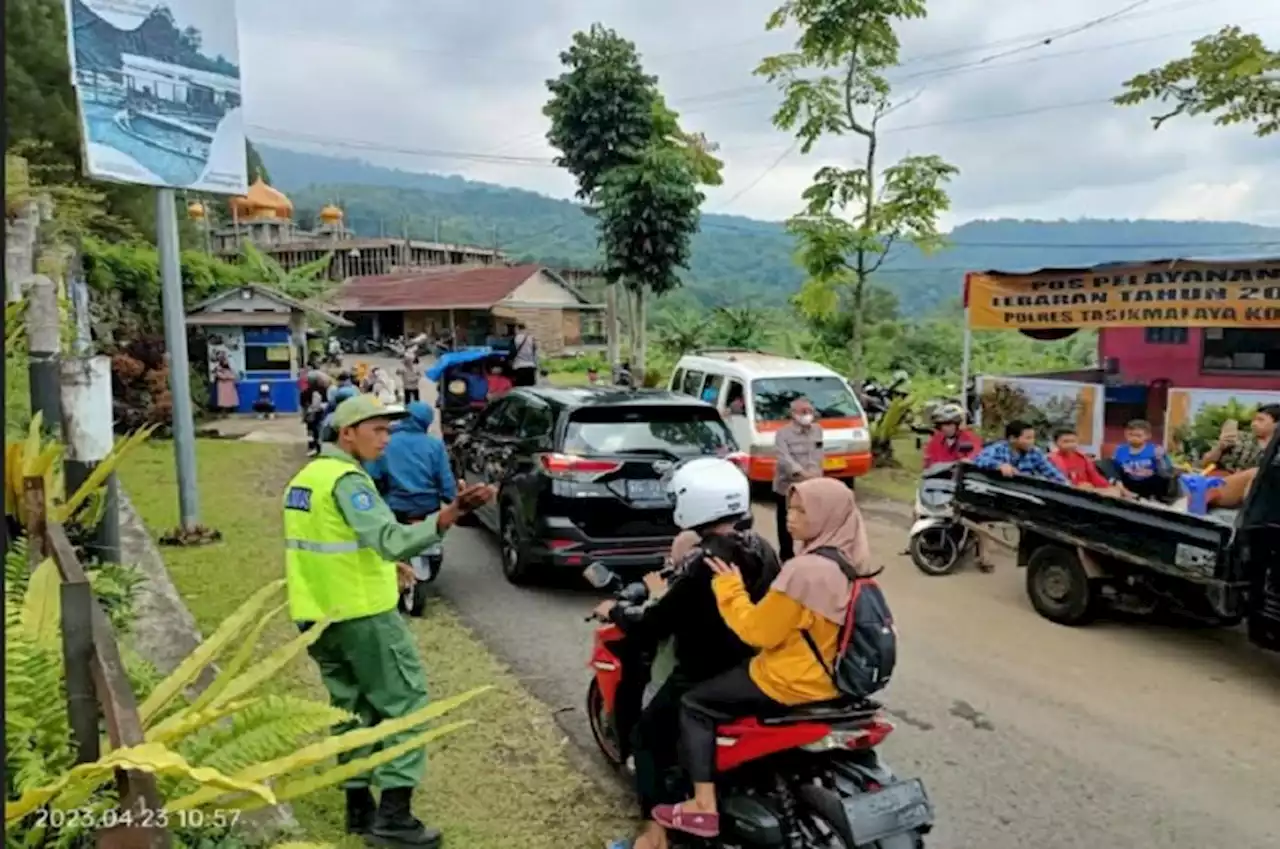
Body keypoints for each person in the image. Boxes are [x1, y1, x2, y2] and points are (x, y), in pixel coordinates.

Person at [283, 395, 496, 847]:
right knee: (406, 704)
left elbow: (335, 543)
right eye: (377, 430)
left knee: (349, 709)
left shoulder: (307, 479)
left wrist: (388, 567)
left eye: (387, 429)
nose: (386, 438)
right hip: (363, 617)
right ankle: (394, 819)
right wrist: (450, 513)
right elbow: (391, 538)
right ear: (347, 434)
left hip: (318, 616)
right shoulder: (348, 481)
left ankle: (358, 806)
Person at [653, 477, 869, 839]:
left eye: (803, 510)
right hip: (836, 676)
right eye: (791, 507)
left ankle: (702, 806)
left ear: (827, 516)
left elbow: (757, 632)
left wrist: (729, 589)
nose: (790, 517)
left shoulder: (805, 571)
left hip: (793, 681)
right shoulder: (849, 558)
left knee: (695, 704)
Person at [594, 458, 781, 849]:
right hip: (754, 664)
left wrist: (617, 611)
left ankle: (656, 837)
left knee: (646, 737)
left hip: (705, 670)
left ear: (692, 502)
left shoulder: (705, 561)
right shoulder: (761, 546)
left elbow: (656, 623)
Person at [366, 402, 458, 524]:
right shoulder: (434, 445)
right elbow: (445, 479)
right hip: (428, 508)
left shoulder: (387, 442)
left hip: (396, 507)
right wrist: (454, 502)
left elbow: (373, 474)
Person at [772, 397, 824, 561]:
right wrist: (802, 474)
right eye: (803, 412)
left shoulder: (817, 430)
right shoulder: (783, 434)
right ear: (793, 414)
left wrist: (814, 474)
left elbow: (817, 454)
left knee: (812, 518)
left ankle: (811, 550)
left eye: (810, 411)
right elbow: (784, 459)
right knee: (787, 522)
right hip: (787, 485)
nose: (808, 415)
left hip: (811, 485)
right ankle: (786, 556)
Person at [974, 420, 1069, 485]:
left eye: (1033, 438)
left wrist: (1068, 485)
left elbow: (1053, 474)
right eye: (1028, 438)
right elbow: (979, 460)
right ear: (1012, 439)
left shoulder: (1035, 453)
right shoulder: (998, 449)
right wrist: (999, 465)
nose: (1032, 442)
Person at [1200, 405, 1278, 473]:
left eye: (1260, 420)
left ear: (1277, 424)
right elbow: (1205, 463)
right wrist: (1220, 447)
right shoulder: (1238, 437)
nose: (1254, 424)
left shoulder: (1277, 448)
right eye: (1253, 420)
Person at [1049, 428, 1127, 495]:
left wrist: (1108, 487)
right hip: (1069, 491)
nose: (1070, 445)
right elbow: (1058, 481)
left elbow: (1095, 477)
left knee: (1115, 492)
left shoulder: (1083, 458)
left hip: (1090, 490)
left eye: (1073, 441)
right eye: (1066, 442)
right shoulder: (1052, 459)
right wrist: (1077, 486)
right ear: (1056, 443)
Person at [1109, 419, 1174, 500]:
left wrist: (1160, 460)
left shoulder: (1155, 450)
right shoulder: (1120, 450)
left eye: (1138, 435)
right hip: (1129, 482)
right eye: (1131, 435)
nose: (1134, 438)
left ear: (1148, 436)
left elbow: (1167, 472)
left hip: (1148, 483)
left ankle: (1155, 499)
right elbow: (1112, 470)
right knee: (1108, 466)